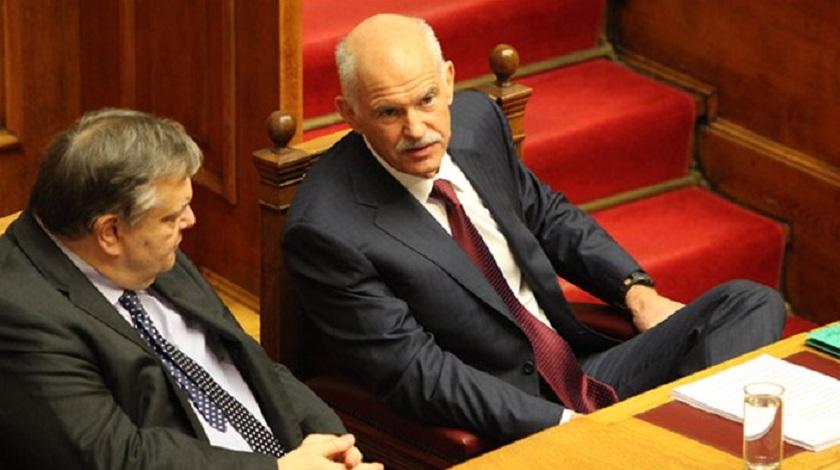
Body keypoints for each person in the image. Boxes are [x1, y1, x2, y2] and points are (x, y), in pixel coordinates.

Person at [282, 13, 786, 445]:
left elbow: (548, 215)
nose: (416, 130)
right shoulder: (327, 230)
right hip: (511, 413)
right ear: (350, 114)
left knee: (749, 303)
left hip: (581, 368)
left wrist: (636, 292)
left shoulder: (477, 122)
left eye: (427, 100)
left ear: (449, 81)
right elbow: (418, 374)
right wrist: (566, 428)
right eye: (389, 113)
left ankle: (671, 447)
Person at [0, 109, 382, 470]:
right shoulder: (20, 313)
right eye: (171, 216)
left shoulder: (144, 247)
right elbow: (117, 457)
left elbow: (251, 360)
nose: (190, 220)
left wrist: (333, 442)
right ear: (110, 232)